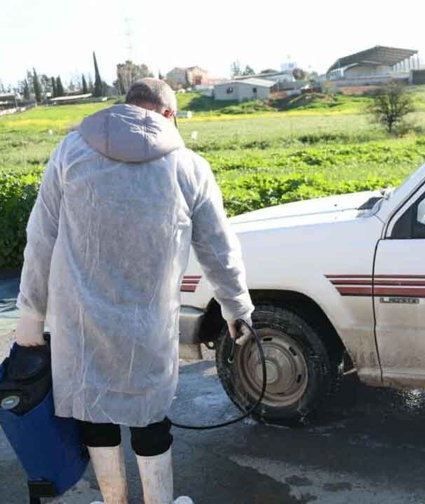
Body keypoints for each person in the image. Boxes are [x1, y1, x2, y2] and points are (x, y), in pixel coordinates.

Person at [13, 78, 254, 504]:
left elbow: (41, 237)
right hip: (150, 320)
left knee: (96, 412)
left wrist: (31, 316)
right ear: (167, 114)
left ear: (126, 108)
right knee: (149, 414)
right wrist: (236, 308)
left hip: (81, 321)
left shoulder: (70, 151)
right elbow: (219, 247)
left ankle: (114, 502)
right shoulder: (188, 166)